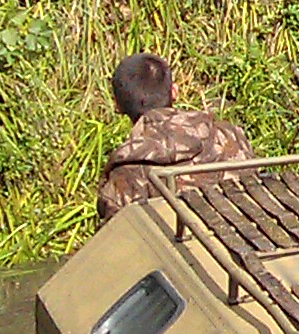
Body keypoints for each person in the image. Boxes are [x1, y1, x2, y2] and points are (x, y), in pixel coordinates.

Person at [97, 52, 254, 219]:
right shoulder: (230, 135)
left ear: (118, 105)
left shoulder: (124, 177)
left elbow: (115, 230)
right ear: (174, 91)